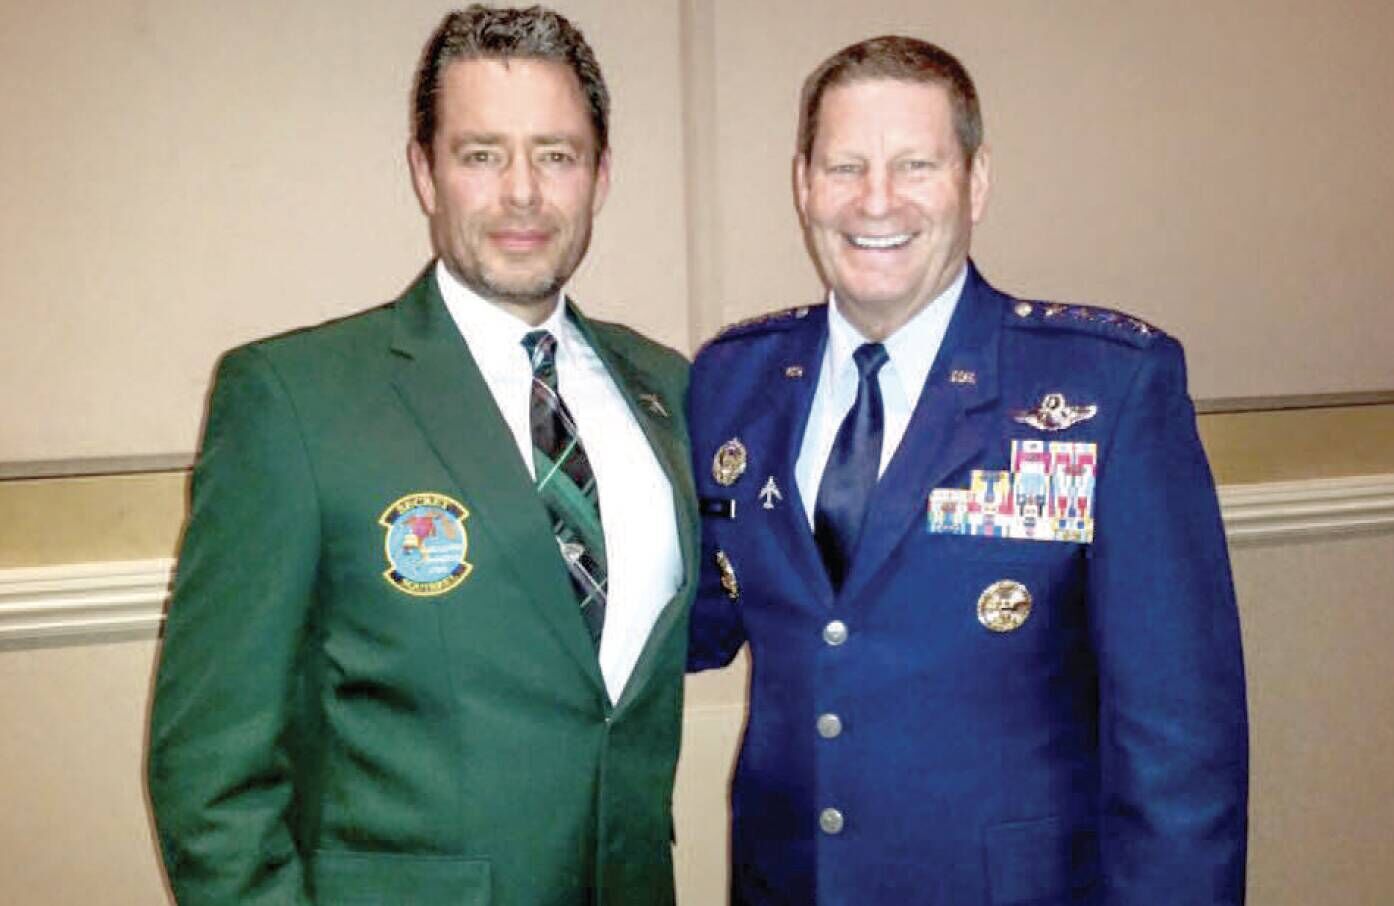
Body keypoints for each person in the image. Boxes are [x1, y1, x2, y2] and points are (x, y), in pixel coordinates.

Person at [148, 6, 697, 904]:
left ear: (600, 176)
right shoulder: (293, 401)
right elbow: (210, 769)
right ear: (424, 171)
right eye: (481, 154)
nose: (522, 193)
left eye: (556, 155)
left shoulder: (667, 389)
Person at [687, 35, 1248, 905]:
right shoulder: (734, 383)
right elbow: (689, 621)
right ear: (803, 184)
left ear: (976, 182)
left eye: (916, 165)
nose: (876, 200)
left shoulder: (1106, 390)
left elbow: (1182, 750)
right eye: (844, 167)